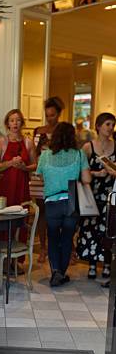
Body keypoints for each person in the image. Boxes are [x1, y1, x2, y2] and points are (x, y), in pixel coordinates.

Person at [36, 122, 91, 286]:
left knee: (52, 237)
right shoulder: (79, 154)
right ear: (72, 136)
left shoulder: (45, 155)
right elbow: (87, 179)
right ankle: (62, 273)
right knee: (67, 237)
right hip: (72, 199)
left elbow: (39, 175)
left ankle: (55, 272)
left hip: (52, 200)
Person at [0, 109, 36, 271]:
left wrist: (24, 167)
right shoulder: (1, 142)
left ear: (22, 123)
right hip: (5, 188)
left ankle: (17, 259)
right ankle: (1, 257)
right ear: (7, 123)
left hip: (22, 188)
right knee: (3, 220)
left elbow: (35, 165)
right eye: (11, 120)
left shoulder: (28, 142)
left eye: (18, 120)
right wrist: (9, 163)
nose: (15, 123)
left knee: (20, 220)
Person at [76, 112, 116, 279]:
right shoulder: (88, 147)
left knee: (108, 229)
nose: (111, 128)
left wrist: (112, 172)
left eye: (112, 125)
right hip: (91, 195)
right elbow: (78, 170)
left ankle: (107, 264)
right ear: (98, 126)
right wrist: (95, 173)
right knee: (90, 228)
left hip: (109, 195)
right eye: (107, 124)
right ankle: (92, 265)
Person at [33, 96, 65, 263]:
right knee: (42, 214)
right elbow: (36, 154)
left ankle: (65, 248)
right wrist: (40, 146)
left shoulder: (63, 130)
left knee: (61, 213)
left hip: (58, 178)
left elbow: (67, 153)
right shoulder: (39, 131)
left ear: (58, 114)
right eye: (47, 115)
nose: (49, 118)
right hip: (40, 177)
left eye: (52, 115)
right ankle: (43, 249)